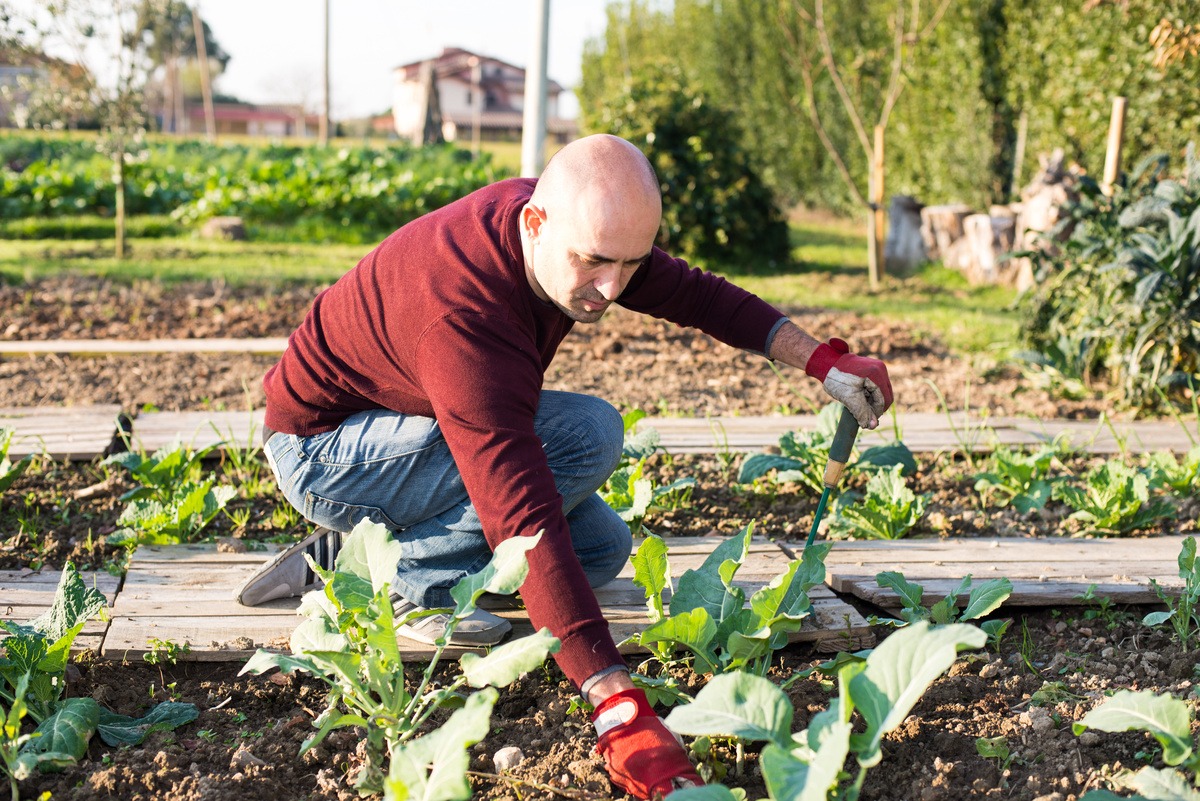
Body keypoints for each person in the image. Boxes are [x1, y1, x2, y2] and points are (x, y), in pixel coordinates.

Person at [235, 134, 892, 798]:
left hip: (400, 431)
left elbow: (700, 296)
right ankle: (402, 579)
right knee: (586, 434)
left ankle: (361, 548)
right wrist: (617, 703)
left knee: (603, 547)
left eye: (631, 264)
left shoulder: (571, 226)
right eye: (595, 262)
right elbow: (518, 509)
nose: (611, 288)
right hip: (325, 449)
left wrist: (823, 362)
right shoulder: (466, 318)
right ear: (536, 224)